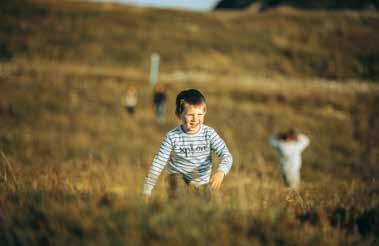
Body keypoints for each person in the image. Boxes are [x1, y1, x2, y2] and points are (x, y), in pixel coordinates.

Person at [143, 89, 233, 199]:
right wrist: (147, 190)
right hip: (178, 180)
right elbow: (158, 162)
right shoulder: (172, 137)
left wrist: (221, 172)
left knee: (203, 209)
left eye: (199, 114)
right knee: (177, 183)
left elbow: (226, 155)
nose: (195, 119)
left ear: (205, 112)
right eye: (190, 115)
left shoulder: (209, 134)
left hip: (201, 183)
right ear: (178, 114)